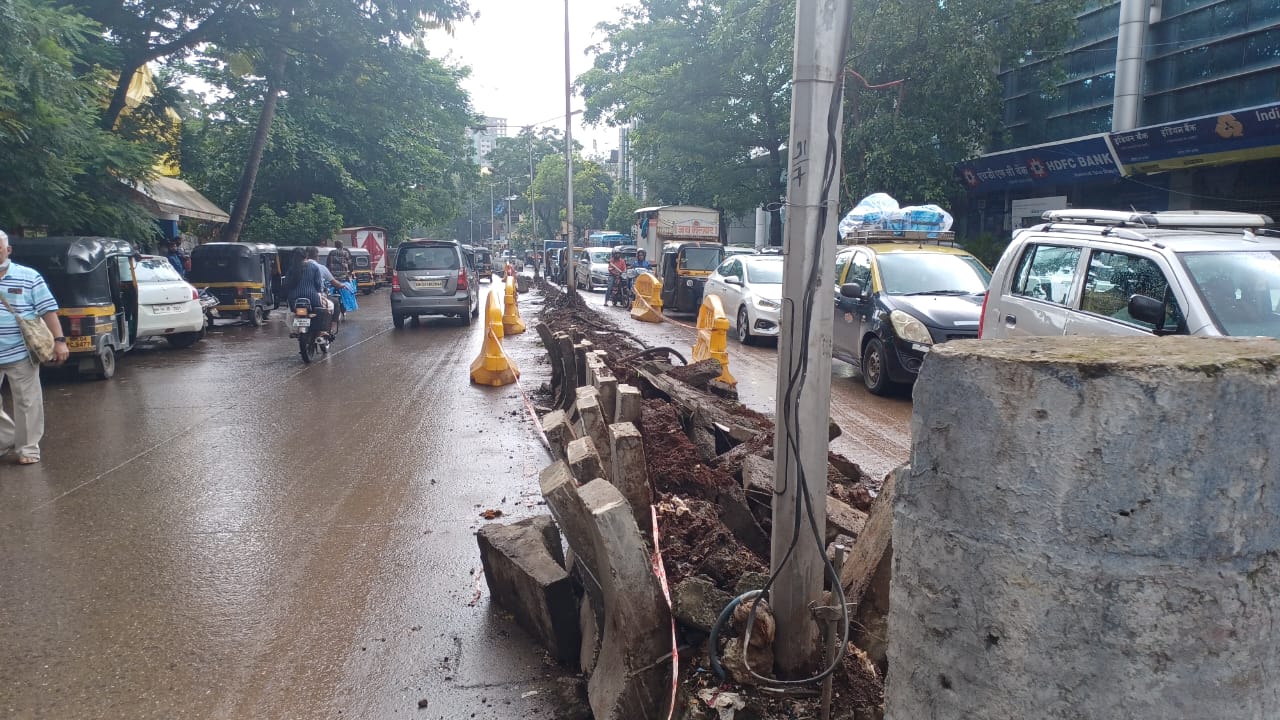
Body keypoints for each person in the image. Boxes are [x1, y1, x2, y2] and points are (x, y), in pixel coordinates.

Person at [0, 230, 70, 465]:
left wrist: (59, 341)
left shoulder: (29, 276)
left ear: (8, 250)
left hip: (20, 351)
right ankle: (5, 438)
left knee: (27, 402)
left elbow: (47, 309)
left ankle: (28, 449)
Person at [289, 246, 346, 336]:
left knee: (292, 312)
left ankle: (296, 330)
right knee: (327, 307)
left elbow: (286, 285)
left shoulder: (291, 268)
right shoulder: (315, 267)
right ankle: (324, 330)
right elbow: (318, 285)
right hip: (312, 297)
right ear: (316, 256)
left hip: (294, 300)